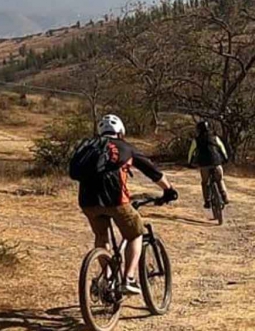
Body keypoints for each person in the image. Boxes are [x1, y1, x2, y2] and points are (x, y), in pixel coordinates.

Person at [70, 114, 175, 295]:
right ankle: (129, 279)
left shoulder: (89, 147)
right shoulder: (126, 147)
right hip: (115, 200)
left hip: (88, 202)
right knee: (136, 233)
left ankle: (108, 279)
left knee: (101, 237)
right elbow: (153, 172)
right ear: (120, 132)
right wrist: (169, 190)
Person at [186, 119, 230, 209]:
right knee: (220, 180)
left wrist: (189, 162)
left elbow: (191, 152)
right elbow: (222, 148)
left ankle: (207, 201)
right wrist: (225, 158)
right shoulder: (215, 137)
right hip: (216, 162)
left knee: (205, 183)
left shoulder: (196, 140)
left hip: (204, 164)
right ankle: (224, 197)